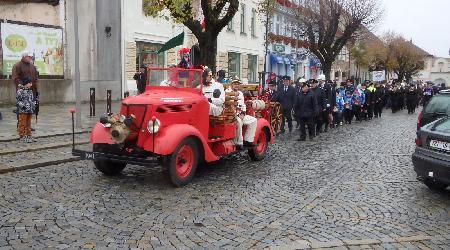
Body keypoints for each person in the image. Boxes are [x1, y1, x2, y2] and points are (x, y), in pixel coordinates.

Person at [226, 77, 257, 149]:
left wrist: (243, 113)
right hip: (230, 115)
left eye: (238, 84)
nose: (237, 85)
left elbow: (243, 105)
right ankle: (239, 143)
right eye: (235, 84)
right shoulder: (227, 92)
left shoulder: (240, 93)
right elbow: (227, 105)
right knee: (239, 122)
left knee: (254, 120)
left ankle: (248, 140)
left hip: (240, 114)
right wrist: (236, 115)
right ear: (231, 84)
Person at [16, 76, 36, 143]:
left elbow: (31, 100)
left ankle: (28, 135)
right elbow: (18, 101)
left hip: (30, 110)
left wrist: (33, 105)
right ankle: (22, 136)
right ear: (26, 83)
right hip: (23, 110)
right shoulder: (20, 91)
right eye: (30, 83)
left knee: (28, 124)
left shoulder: (30, 91)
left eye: (31, 83)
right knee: (22, 123)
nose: (31, 84)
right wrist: (23, 106)